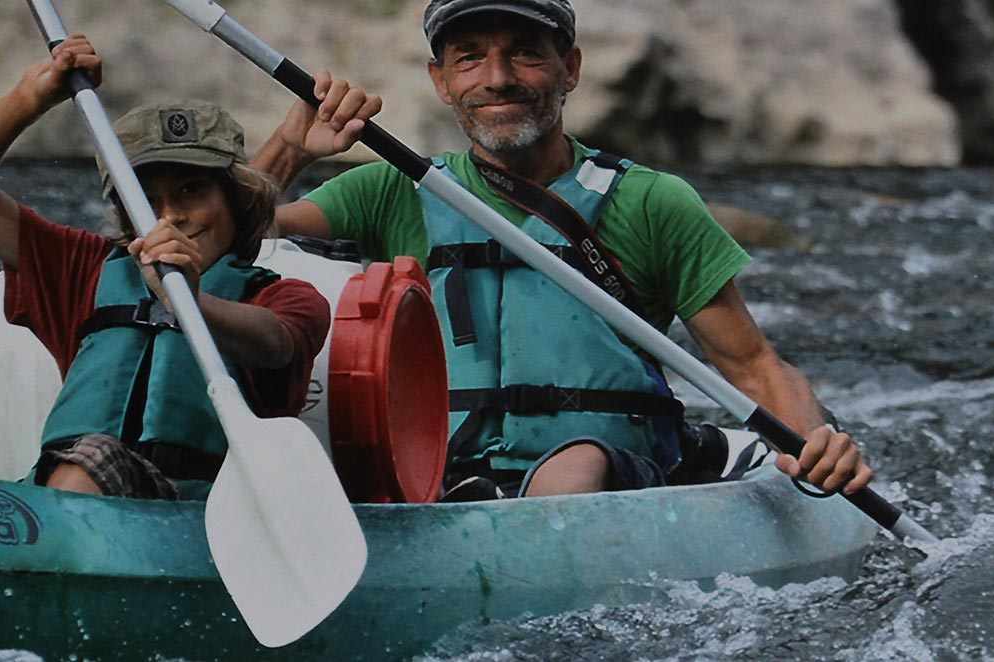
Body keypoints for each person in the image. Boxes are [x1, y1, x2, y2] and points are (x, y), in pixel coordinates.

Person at [251, 0, 873, 500]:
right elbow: (230, 237)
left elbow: (752, 363)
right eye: (469, 59)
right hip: (442, 475)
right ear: (440, 82)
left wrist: (816, 442)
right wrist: (291, 146)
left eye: (525, 54)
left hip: (607, 472)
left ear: (570, 68)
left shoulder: (654, 201)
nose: (497, 78)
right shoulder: (393, 188)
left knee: (572, 467)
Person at [0, 34, 330, 501]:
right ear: (126, 216)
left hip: (189, 514)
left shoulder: (285, 298)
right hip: (56, 493)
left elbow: (274, 343)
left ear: (234, 198)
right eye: (145, 201)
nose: (171, 215)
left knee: (89, 465)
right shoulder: (80, 268)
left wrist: (190, 300)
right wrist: (30, 98)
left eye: (192, 190)